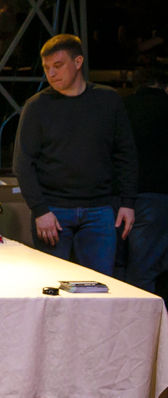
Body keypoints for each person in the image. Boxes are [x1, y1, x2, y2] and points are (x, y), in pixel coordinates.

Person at [12, 34, 137, 276]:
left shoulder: (108, 99)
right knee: (51, 284)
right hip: (53, 209)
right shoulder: (37, 106)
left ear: (78, 62)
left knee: (100, 286)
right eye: (47, 68)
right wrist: (40, 210)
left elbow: (126, 153)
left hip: (99, 209)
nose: (51, 73)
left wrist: (128, 203)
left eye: (58, 66)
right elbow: (22, 163)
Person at [122, 68, 168, 293]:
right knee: (146, 267)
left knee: (127, 266)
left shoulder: (123, 107)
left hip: (123, 197)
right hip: (158, 195)